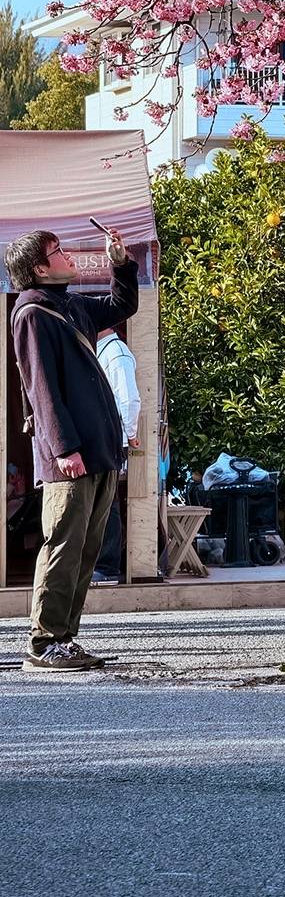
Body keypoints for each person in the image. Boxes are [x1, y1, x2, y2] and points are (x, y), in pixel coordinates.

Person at [6, 226, 138, 671]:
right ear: (39, 269)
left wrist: (120, 263)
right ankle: (43, 643)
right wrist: (63, 447)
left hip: (99, 450)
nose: (68, 256)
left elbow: (124, 305)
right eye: (57, 252)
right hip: (71, 456)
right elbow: (41, 387)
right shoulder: (32, 314)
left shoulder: (71, 304)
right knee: (63, 545)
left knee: (86, 548)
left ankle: (66, 637)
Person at [90, 323, 141, 584]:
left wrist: (130, 434)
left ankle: (108, 566)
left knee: (107, 503)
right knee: (101, 501)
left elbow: (128, 399)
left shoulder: (116, 352)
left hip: (113, 438)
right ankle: (100, 564)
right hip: (104, 437)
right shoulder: (102, 351)